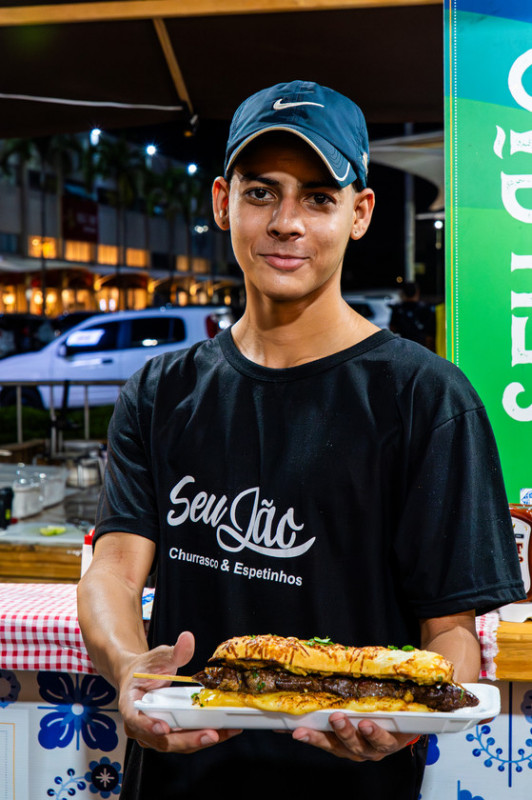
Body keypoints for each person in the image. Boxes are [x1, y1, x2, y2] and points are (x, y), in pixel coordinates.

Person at [77, 80, 524, 800]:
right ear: (223, 202)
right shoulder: (160, 391)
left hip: (346, 785)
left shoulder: (426, 400)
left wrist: (404, 725)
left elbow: (453, 636)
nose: (287, 221)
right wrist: (132, 666)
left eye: (319, 197)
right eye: (262, 193)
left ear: (359, 213)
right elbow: (112, 574)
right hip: (178, 778)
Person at [389, 282, 436, 351]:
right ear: (417, 292)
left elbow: (392, 328)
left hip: (404, 348)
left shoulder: (398, 309)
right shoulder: (426, 308)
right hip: (422, 349)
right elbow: (430, 335)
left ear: (403, 293)